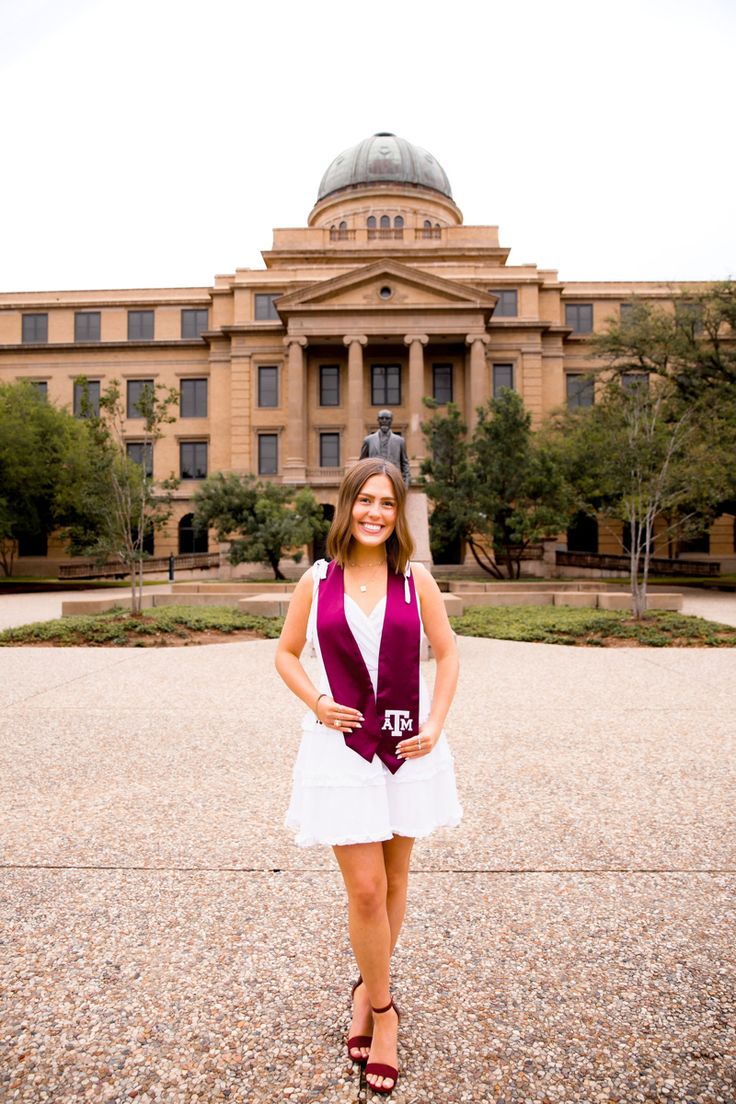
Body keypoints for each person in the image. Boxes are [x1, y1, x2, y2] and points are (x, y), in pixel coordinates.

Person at [275, 457, 462, 1095]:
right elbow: (284, 652)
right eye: (365, 501)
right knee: (365, 890)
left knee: (396, 879)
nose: (375, 513)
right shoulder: (317, 579)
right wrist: (316, 701)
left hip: (408, 746)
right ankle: (385, 1014)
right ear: (347, 506)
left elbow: (449, 651)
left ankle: (366, 987)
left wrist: (436, 723)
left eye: (387, 503)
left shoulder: (417, 580)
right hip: (344, 747)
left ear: (398, 512)